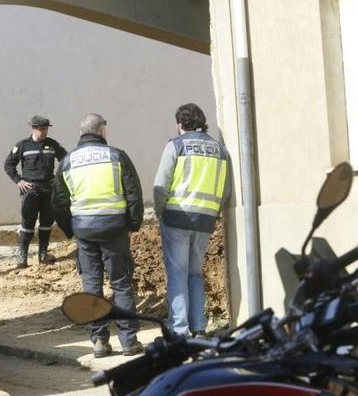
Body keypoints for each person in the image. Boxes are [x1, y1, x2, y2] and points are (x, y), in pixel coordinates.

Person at [53, 113, 144, 357]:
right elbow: (133, 192)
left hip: (84, 230)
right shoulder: (116, 155)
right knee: (121, 284)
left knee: (92, 286)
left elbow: (59, 202)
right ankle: (128, 341)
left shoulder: (68, 161)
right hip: (114, 227)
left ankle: (99, 342)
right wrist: (133, 224)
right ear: (102, 130)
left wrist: (70, 229)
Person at [153, 103, 231, 337]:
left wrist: (159, 211)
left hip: (177, 217)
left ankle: (179, 330)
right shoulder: (220, 149)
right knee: (195, 273)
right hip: (205, 220)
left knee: (177, 274)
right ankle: (198, 327)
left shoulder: (176, 145)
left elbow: (161, 184)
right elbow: (225, 190)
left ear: (180, 125)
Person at [4, 115, 67, 268]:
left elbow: (66, 159)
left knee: (46, 223)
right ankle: (22, 258)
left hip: (48, 189)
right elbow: (8, 165)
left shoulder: (52, 145)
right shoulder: (23, 145)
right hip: (30, 190)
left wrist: (58, 179)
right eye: (41, 129)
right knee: (27, 224)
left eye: (45, 129)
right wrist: (19, 181)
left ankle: (43, 254)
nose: (44, 132)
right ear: (33, 128)